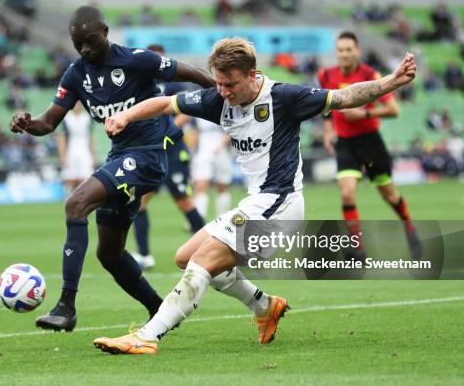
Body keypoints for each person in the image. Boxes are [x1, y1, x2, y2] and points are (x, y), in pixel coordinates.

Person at [93, 37, 417, 354]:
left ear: (251, 75)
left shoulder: (285, 97)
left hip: (281, 206)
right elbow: (165, 103)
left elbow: (345, 97)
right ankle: (264, 306)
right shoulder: (218, 100)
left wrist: (392, 81)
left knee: (202, 262)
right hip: (256, 202)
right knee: (184, 257)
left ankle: (147, 336)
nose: (224, 92)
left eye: (231, 84)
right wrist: (125, 116)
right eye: (219, 83)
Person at [9, 6, 215, 332]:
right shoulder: (76, 74)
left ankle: (66, 306)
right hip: (120, 158)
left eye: (90, 41)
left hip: (146, 156)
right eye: (78, 44)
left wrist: (219, 90)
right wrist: (27, 123)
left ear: (105, 32)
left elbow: (185, 71)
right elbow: (48, 122)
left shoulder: (136, 59)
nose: (85, 49)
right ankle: (159, 311)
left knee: (75, 204)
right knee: (110, 254)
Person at [319, 31, 421, 260]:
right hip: (345, 143)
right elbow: (326, 108)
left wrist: (365, 112)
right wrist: (328, 132)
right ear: (336, 52)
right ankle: (358, 247)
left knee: (389, 196)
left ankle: (410, 228)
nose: (344, 54)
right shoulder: (325, 75)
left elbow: (394, 110)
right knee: (347, 193)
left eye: (348, 49)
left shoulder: (369, 74)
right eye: (340, 50)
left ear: (357, 51)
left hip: (370, 142)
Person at [131, 44, 205, 269]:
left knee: (183, 202)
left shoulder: (175, 82)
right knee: (139, 202)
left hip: (173, 152)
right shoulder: (143, 83)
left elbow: (187, 111)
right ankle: (144, 255)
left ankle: (208, 247)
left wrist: (166, 129)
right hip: (152, 153)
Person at [57, 102, 95, 191]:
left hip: (85, 151)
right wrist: (63, 156)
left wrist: (93, 155)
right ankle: (69, 199)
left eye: (79, 104)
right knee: (70, 178)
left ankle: (84, 200)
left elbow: (90, 137)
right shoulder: (66, 118)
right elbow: (62, 138)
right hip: (71, 150)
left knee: (86, 178)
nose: (77, 106)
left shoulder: (87, 118)